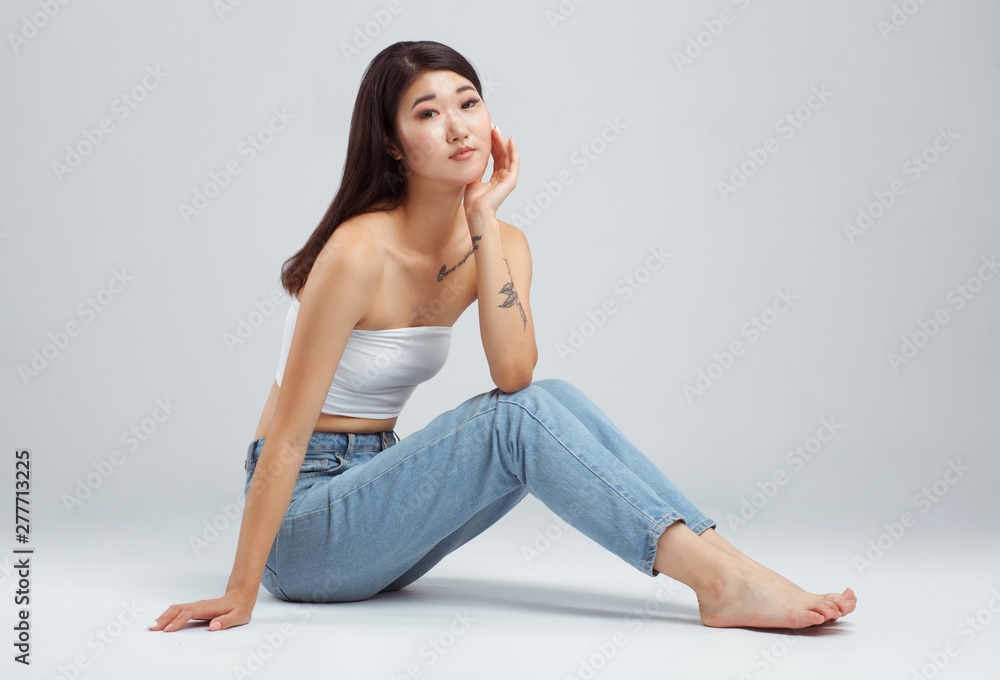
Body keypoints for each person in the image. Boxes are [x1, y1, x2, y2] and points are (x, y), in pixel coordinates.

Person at [150, 40, 856, 634]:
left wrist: (483, 219)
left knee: (552, 396)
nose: (458, 127)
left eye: (468, 103)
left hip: (373, 497)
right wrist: (243, 590)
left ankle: (729, 569)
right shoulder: (359, 252)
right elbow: (288, 438)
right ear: (394, 145)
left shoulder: (502, 240)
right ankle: (724, 585)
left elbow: (514, 373)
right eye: (429, 113)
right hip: (303, 529)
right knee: (521, 420)